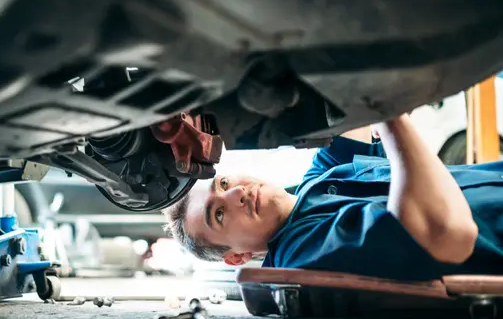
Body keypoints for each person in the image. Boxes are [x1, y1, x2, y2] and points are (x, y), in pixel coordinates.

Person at [162, 114, 503, 281]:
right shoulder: (300, 259)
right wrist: (389, 113)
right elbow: (444, 234)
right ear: (237, 257)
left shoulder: (315, 183)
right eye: (218, 214)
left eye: (223, 183)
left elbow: (343, 115)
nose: (235, 193)